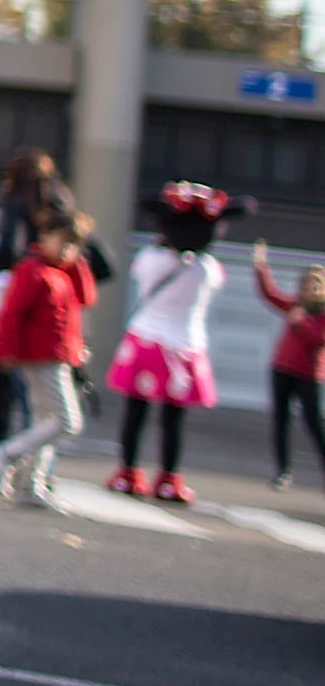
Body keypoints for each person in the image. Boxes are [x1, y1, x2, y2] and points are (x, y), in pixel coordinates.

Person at [108, 182, 251, 504]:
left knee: (135, 413)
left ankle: (127, 472)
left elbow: (139, 275)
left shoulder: (149, 259)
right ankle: (169, 477)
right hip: (184, 345)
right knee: (173, 421)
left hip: (144, 339)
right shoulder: (208, 269)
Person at [0, 211, 97, 512]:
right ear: (44, 237)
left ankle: (29, 484)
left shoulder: (61, 272)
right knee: (66, 421)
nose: (66, 251)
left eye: (72, 246)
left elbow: (87, 297)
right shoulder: (32, 270)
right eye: (62, 243)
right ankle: (9, 453)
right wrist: (6, 351)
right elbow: (11, 314)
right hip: (39, 356)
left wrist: (78, 263)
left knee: (45, 422)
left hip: (57, 355)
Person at [0, 148, 70, 444]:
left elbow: (5, 252)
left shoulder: (17, 204)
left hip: (17, 297)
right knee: (47, 396)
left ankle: (7, 451)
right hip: (55, 307)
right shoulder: (63, 204)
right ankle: (38, 467)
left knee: (4, 382)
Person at [254, 241, 325, 490]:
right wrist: (261, 266)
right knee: (280, 420)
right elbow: (271, 294)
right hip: (282, 369)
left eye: (316, 285)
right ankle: (283, 471)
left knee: (314, 423)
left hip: (308, 375)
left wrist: (301, 324)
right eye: (307, 284)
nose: (311, 289)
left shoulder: (321, 314)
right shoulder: (296, 305)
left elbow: (319, 338)